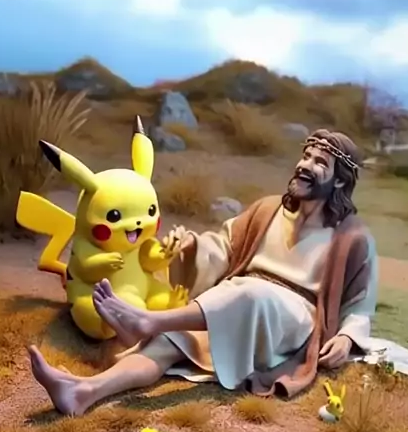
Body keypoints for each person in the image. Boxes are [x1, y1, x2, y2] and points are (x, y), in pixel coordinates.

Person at [29, 128, 378, 416]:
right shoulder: (268, 210)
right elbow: (224, 247)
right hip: (235, 305)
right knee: (168, 344)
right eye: (306, 156)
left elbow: (360, 304)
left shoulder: (352, 237)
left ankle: (149, 321)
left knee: (249, 293)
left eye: (320, 162)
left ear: (338, 181)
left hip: (291, 319)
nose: (305, 165)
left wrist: (347, 338)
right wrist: (191, 247)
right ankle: (84, 391)